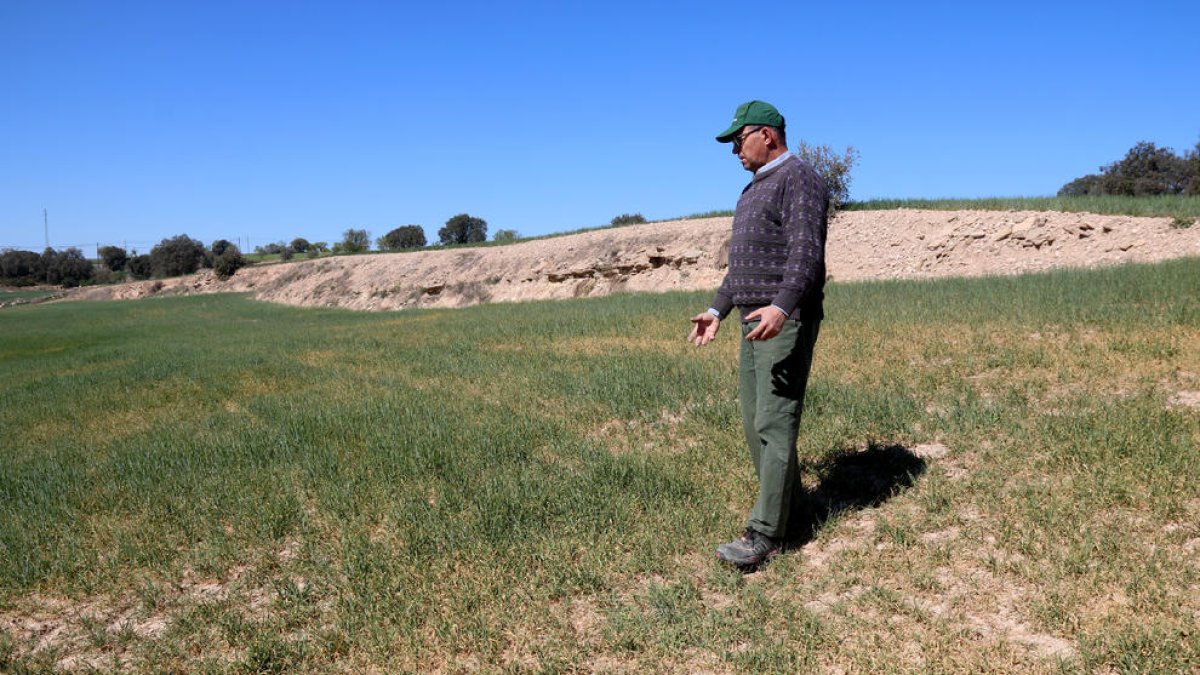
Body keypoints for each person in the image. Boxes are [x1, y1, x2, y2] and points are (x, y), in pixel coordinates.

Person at [688, 100, 829, 568]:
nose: (734, 151)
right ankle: (793, 512)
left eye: (738, 140)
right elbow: (742, 267)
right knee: (755, 423)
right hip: (752, 320)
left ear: (766, 135)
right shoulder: (752, 190)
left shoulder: (799, 178)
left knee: (774, 422)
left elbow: (806, 253)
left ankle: (765, 532)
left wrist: (783, 307)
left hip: (782, 320)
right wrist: (717, 310)